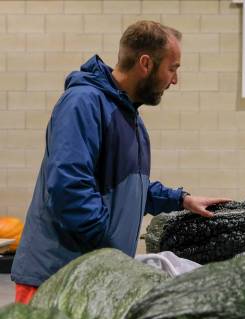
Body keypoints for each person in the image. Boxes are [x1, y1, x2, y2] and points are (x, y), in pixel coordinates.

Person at [11, 21, 230, 304]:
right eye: (173, 68)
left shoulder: (128, 115)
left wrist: (181, 200)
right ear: (145, 63)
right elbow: (69, 188)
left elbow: (126, 186)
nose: (174, 80)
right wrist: (108, 248)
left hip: (92, 277)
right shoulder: (83, 102)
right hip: (56, 280)